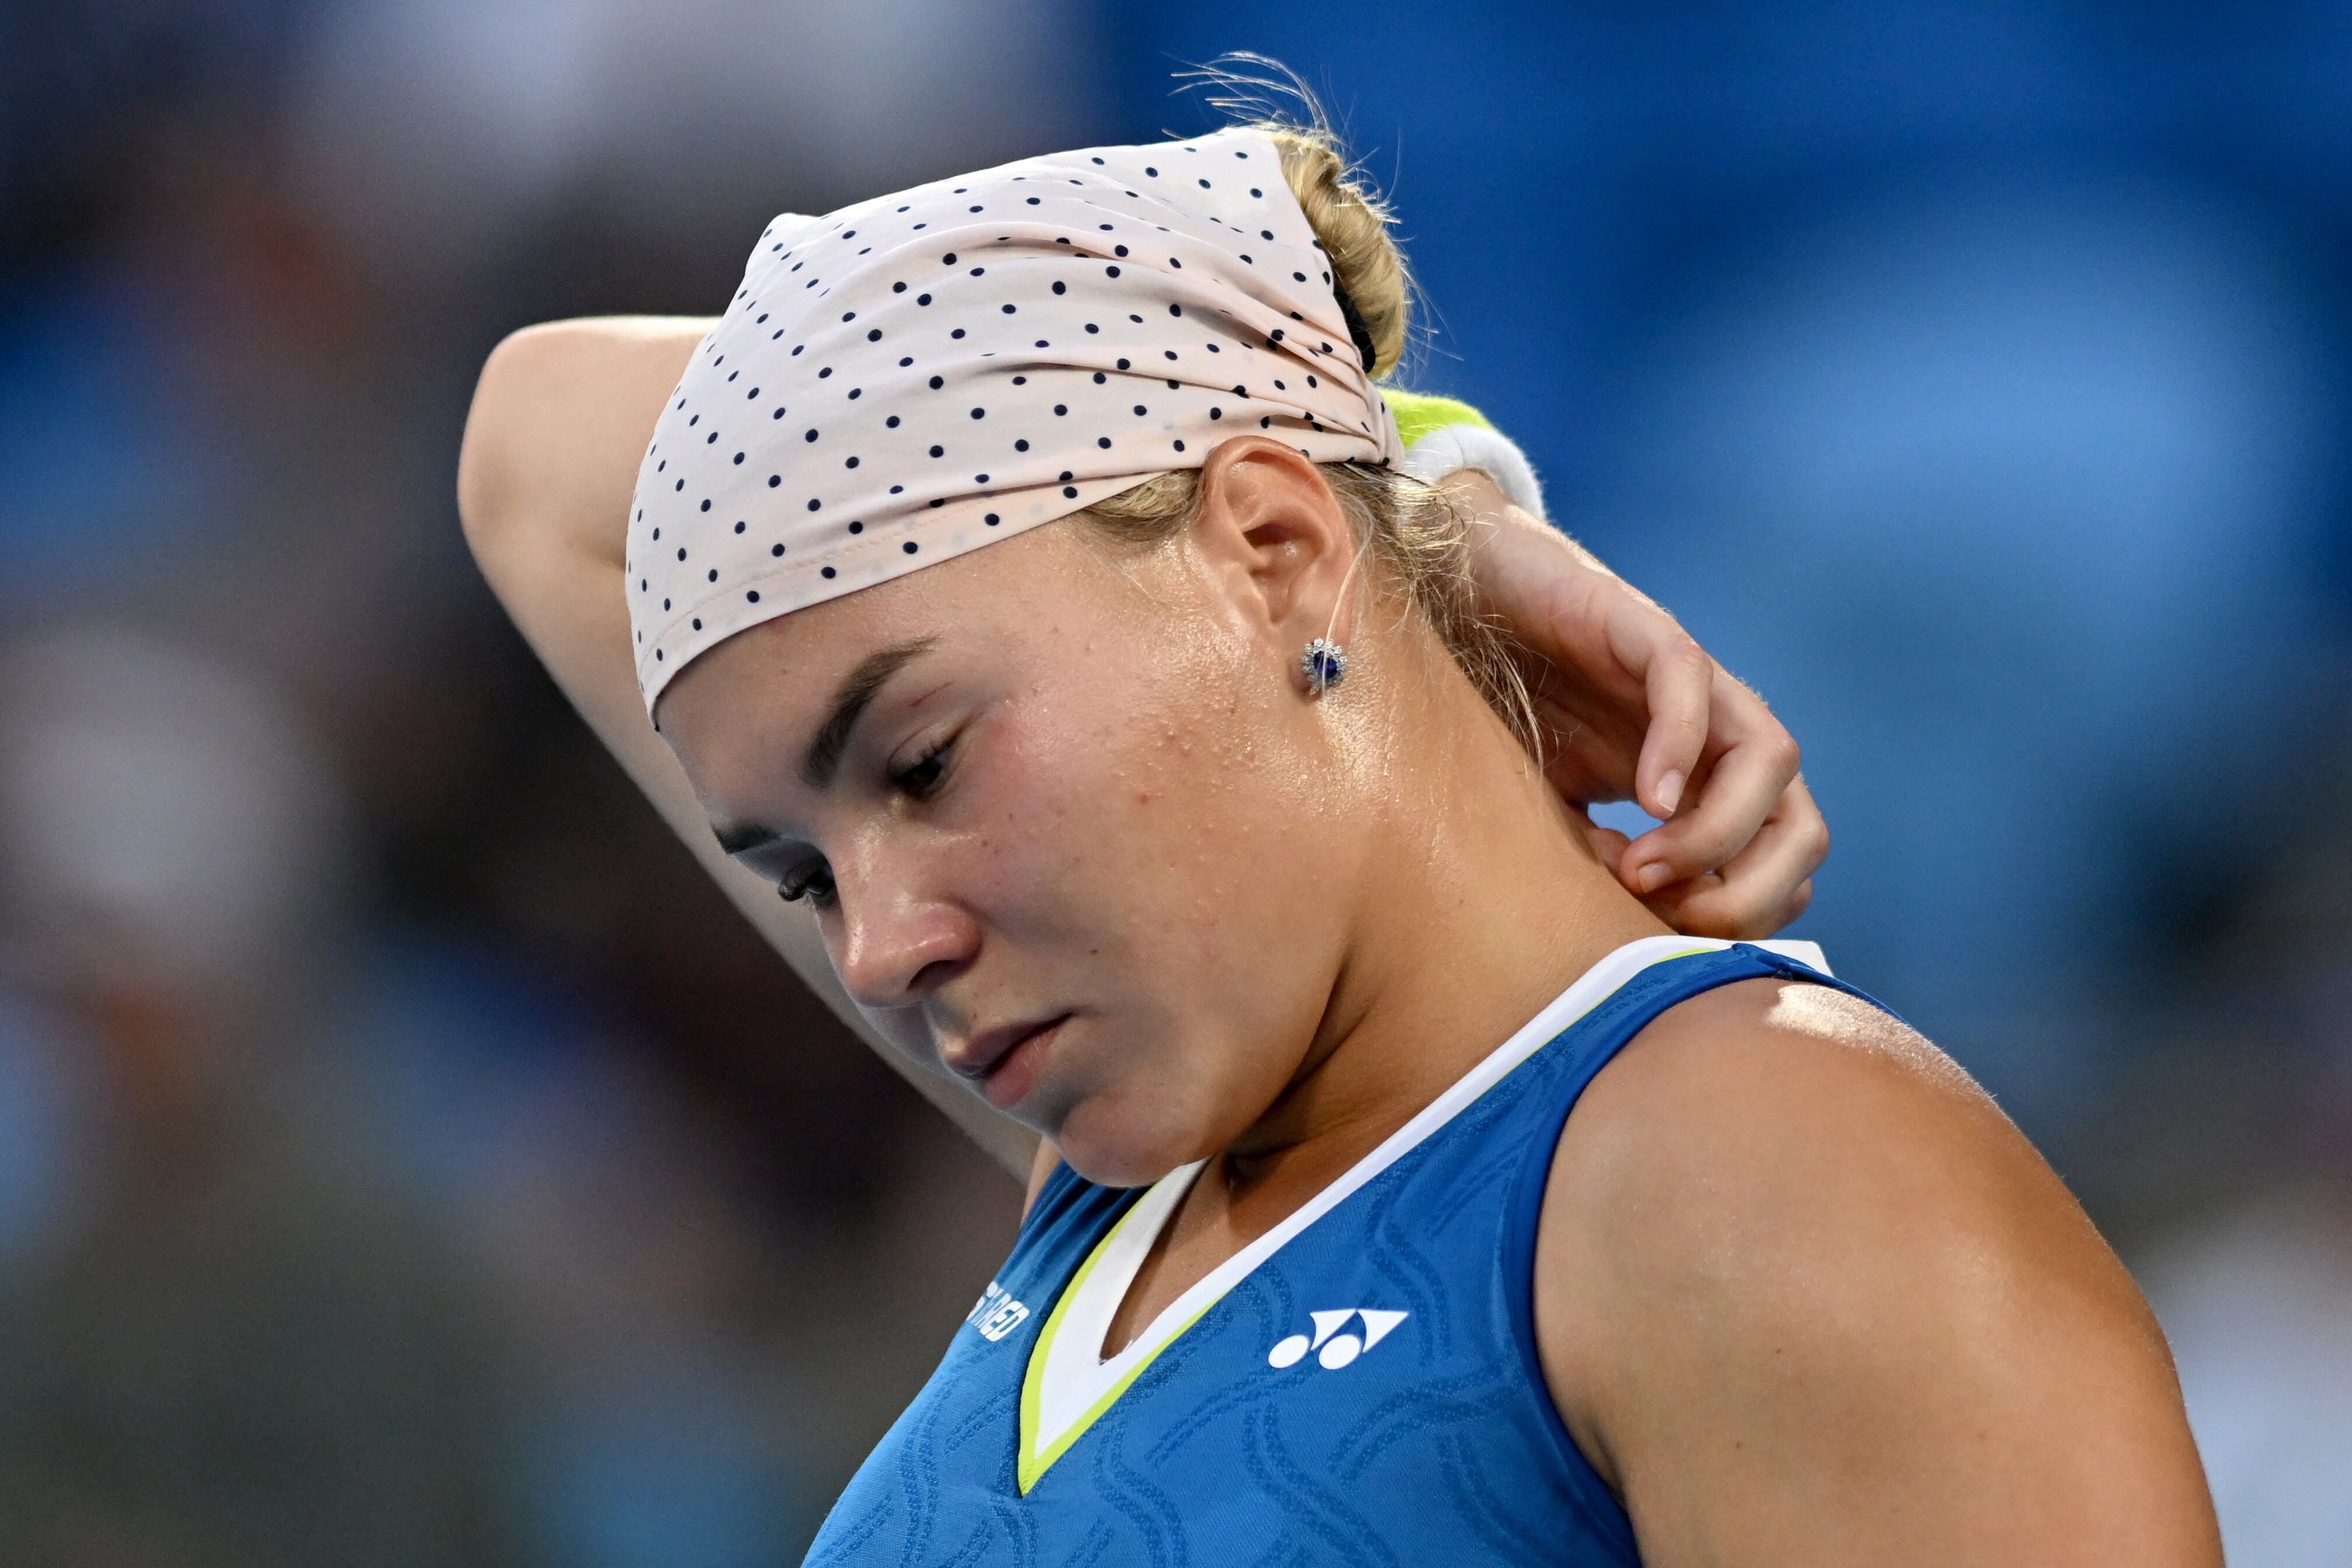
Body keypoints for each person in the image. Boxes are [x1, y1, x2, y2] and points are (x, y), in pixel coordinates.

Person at [457, 102, 2217, 1563]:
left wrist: (1353, 487)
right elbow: (532, 451)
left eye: (922, 765)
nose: (875, 942)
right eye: (803, 867)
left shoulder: (1753, 1173)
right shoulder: (1131, 1198)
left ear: (1270, 555)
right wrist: (1424, 493)